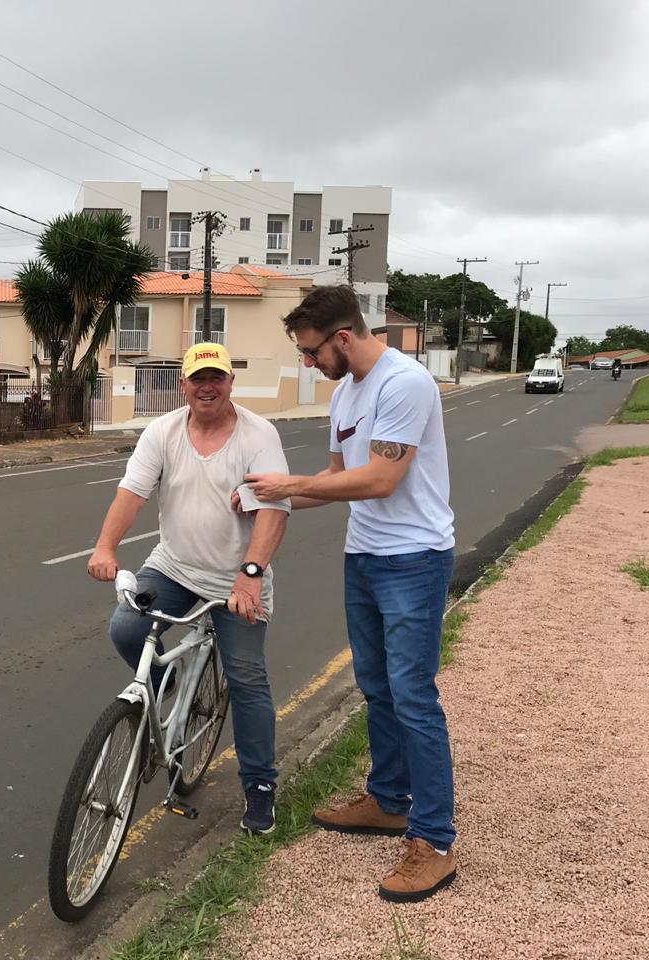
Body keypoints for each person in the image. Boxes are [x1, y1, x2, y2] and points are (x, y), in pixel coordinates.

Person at [243, 285, 457, 903]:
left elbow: (383, 478)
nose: (309, 364)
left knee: (414, 696)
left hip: (413, 558)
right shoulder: (346, 392)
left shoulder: (404, 383)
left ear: (342, 337)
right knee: (377, 686)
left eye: (312, 352)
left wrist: (291, 481)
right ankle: (390, 801)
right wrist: (269, 497)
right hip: (363, 556)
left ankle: (435, 841)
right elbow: (339, 479)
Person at [88, 341, 291, 834]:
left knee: (247, 679)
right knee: (126, 628)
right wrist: (106, 548)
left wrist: (251, 575)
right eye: (198, 379)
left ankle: (260, 787)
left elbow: (274, 511)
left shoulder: (258, 435)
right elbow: (132, 493)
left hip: (236, 576)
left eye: (216, 378)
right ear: (183, 385)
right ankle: (168, 685)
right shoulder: (164, 432)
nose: (207, 387)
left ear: (229, 384)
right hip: (174, 564)